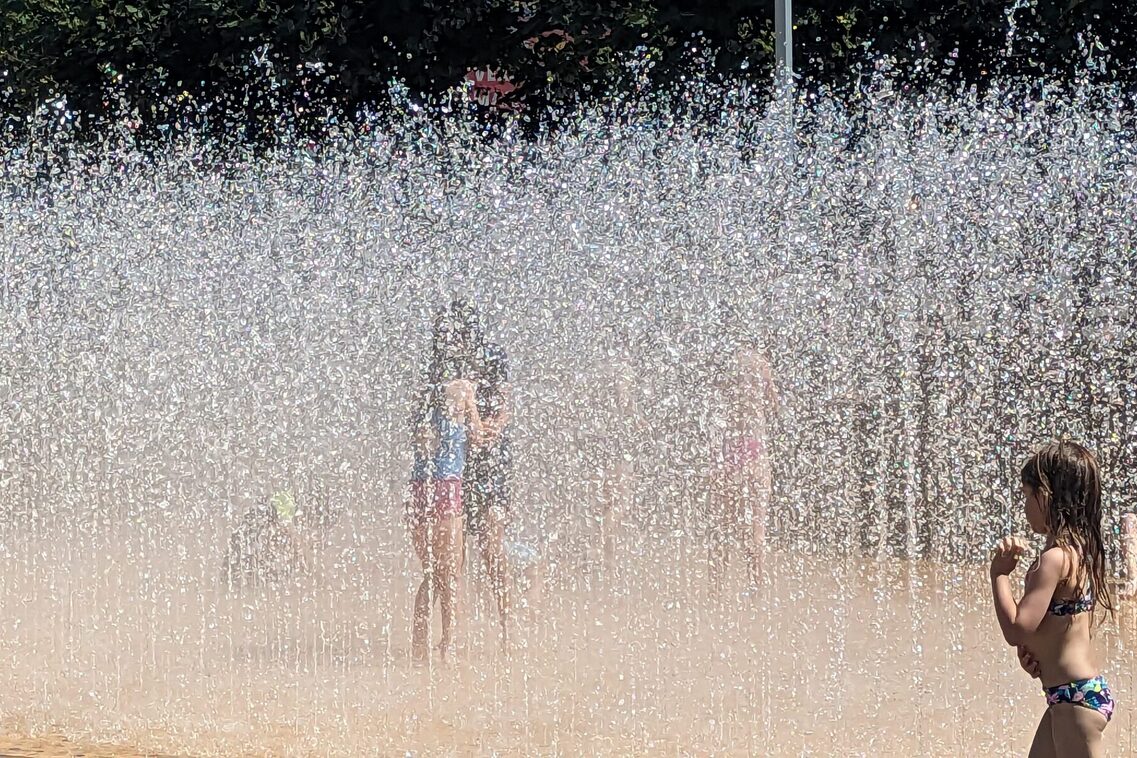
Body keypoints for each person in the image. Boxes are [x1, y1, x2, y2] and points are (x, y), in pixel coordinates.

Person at [992, 441, 1115, 758]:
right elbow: (1064, 629)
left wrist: (1000, 576)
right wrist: (1037, 656)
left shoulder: (1055, 559)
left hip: (1075, 700)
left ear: (1046, 495)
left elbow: (1017, 629)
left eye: (1026, 495)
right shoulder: (1077, 553)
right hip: (1068, 696)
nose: (1024, 506)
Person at [407, 310, 485, 664]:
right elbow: (479, 436)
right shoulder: (464, 389)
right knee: (450, 574)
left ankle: (419, 647)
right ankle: (448, 647)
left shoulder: (422, 395)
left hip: (419, 488)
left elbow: (418, 439)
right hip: (448, 486)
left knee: (430, 574)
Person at [707, 338, 778, 595]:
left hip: (728, 451)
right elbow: (774, 405)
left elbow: (715, 406)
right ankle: (755, 588)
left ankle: (716, 589)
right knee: (756, 527)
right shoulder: (761, 364)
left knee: (721, 526)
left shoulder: (728, 365)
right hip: (754, 449)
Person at [465, 341, 514, 651]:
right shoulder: (451, 372)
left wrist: (491, 427)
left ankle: (507, 626)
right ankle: (454, 635)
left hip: (492, 472)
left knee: (492, 552)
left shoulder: (493, 362)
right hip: (465, 469)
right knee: (455, 558)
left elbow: (504, 408)